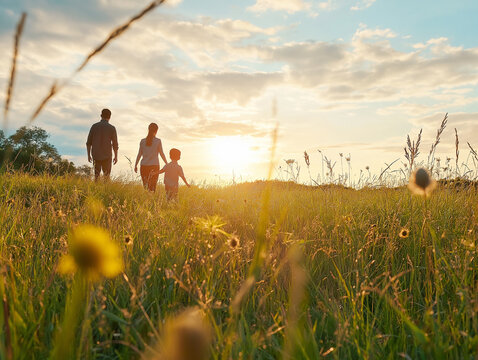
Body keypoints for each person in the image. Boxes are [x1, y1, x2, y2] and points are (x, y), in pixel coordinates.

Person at [134, 123, 168, 192]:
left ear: (148, 129)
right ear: (156, 131)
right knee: (152, 188)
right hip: (154, 166)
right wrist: (167, 163)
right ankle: (151, 202)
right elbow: (161, 153)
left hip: (144, 166)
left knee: (146, 188)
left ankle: (147, 201)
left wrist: (135, 165)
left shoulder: (142, 141)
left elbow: (139, 154)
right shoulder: (158, 141)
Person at [86, 109, 118, 181]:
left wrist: (88, 155)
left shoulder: (94, 126)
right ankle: (106, 191)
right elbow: (115, 144)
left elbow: (88, 143)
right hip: (107, 156)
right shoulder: (112, 128)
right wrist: (116, 156)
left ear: (101, 115)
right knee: (106, 177)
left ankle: (96, 190)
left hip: (96, 155)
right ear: (109, 117)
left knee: (96, 176)